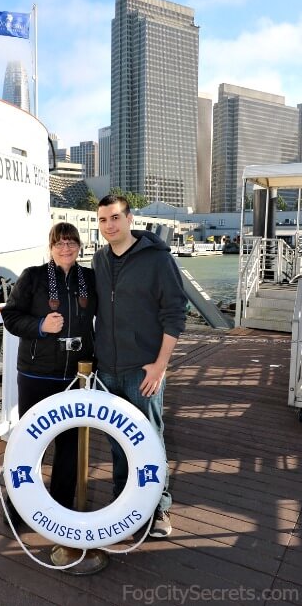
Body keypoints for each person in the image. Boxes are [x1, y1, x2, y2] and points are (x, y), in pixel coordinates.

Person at [93, 194, 187, 538]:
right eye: (103, 220)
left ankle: (158, 509)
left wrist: (160, 366)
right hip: (107, 369)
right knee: (118, 440)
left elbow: (175, 314)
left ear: (130, 219)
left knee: (149, 440)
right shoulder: (100, 259)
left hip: (143, 369)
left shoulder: (157, 260)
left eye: (115, 218)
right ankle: (124, 501)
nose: (109, 226)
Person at [1, 222, 96, 523]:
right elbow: (11, 317)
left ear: (79, 245)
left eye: (71, 242)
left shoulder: (90, 278)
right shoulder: (33, 276)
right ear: (51, 247)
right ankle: (19, 504)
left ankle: (60, 506)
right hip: (37, 373)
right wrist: (41, 326)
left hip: (76, 374)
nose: (66, 247)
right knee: (31, 441)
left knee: (70, 443)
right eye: (59, 242)